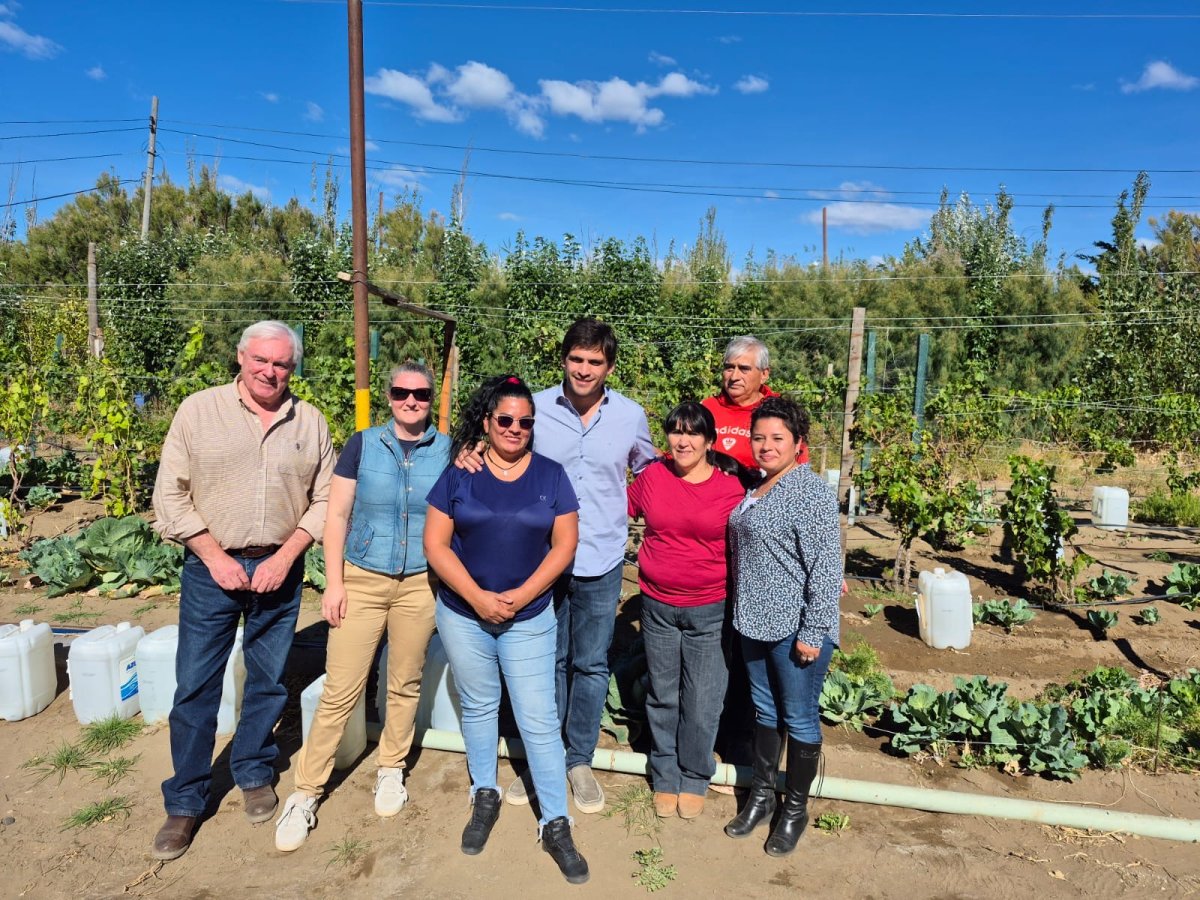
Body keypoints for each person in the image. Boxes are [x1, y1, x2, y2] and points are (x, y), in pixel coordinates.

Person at [150, 320, 334, 860]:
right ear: (241, 357)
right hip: (212, 570)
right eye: (261, 360)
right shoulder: (197, 411)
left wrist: (286, 554)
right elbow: (170, 494)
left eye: (281, 364)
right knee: (196, 684)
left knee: (269, 678)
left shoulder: (310, 422)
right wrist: (213, 554)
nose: (270, 371)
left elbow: (324, 499)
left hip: (279, 568)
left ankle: (252, 768)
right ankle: (185, 800)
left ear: (292, 367)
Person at [458, 319, 657, 814]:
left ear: (609, 366)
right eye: (576, 359)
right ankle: (542, 760)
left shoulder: (630, 415)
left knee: (589, 663)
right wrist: (472, 449)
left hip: (601, 556)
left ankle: (578, 759)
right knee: (544, 661)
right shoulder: (537, 409)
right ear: (564, 359)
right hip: (541, 558)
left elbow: (650, 471)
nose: (584, 369)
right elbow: (503, 444)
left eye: (595, 362)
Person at [274, 363, 449, 852]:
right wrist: (334, 583)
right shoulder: (363, 444)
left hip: (420, 582)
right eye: (401, 392)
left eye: (419, 393)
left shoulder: (448, 450)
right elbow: (337, 513)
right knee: (341, 688)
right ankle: (306, 792)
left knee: (404, 681)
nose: (410, 400)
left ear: (431, 398)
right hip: (364, 579)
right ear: (389, 396)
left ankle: (391, 768)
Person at [424, 375, 589, 885]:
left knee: (538, 719)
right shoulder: (460, 473)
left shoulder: (550, 475)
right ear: (488, 422)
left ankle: (555, 821)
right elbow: (436, 545)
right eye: (505, 420)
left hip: (530, 617)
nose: (515, 428)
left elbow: (564, 546)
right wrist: (476, 597)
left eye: (525, 422)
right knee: (478, 705)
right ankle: (484, 794)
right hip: (463, 613)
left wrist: (522, 596)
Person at [724, 396, 842, 857]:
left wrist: (814, 632)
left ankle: (794, 810)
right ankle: (760, 797)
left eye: (777, 438)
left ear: (798, 444)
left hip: (795, 629)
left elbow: (827, 568)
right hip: (753, 623)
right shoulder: (756, 488)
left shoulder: (809, 492)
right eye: (759, 437)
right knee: (767, 715)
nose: (766, 446)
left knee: (798, 716)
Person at [626, 402, 744, 820]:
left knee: (703, 698)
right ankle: (665, 773)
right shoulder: (652, 478)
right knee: (662, 693)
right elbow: (613, 507)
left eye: (693, 433)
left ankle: (695, 774)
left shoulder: (730, 490)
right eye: (676, 431)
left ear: (710, 441)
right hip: (657, 604)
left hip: (709, 607)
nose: (683, 440)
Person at [701, 335, 809, 469]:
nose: (734, 377)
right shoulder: (706, 409)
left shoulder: (781, 413)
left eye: (744, 369)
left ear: (764, 374)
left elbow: (800, 467)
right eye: (729, 368)